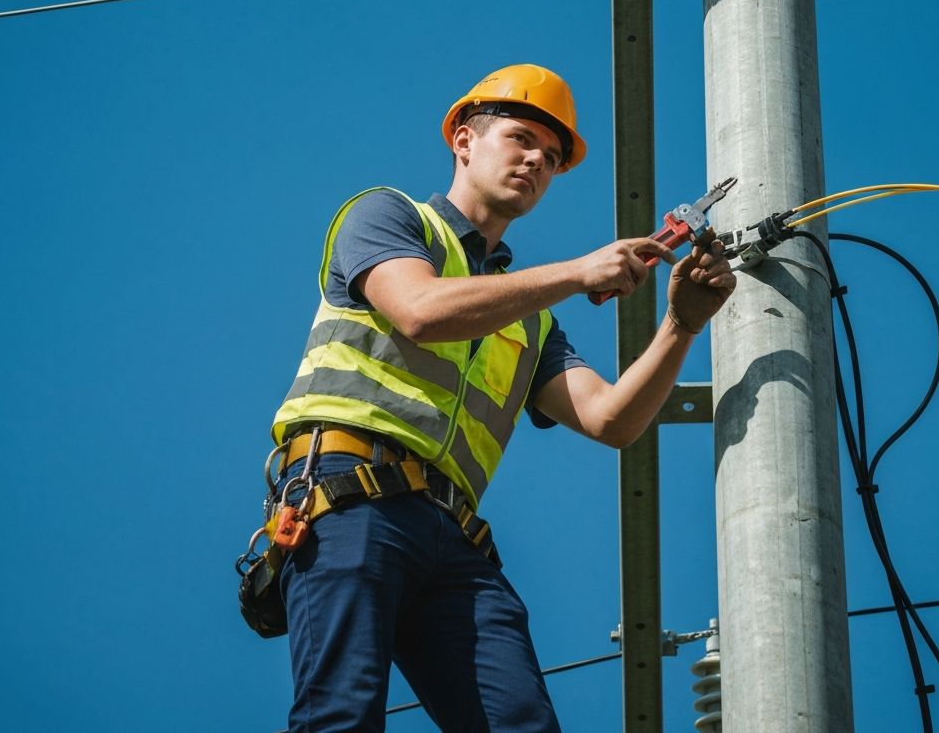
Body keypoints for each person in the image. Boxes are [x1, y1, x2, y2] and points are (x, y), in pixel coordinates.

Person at [268, 63, 736, 733]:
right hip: (350, 496)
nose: (537, 161)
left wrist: (681, 324)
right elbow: (420, 311)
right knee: (342, 715)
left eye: (551, 157)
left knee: (523, 725)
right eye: (520, 139)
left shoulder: (529, 315)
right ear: (463, 139)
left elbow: (611, 419)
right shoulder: (392, 216)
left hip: (448, 533)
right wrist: (576, 271)